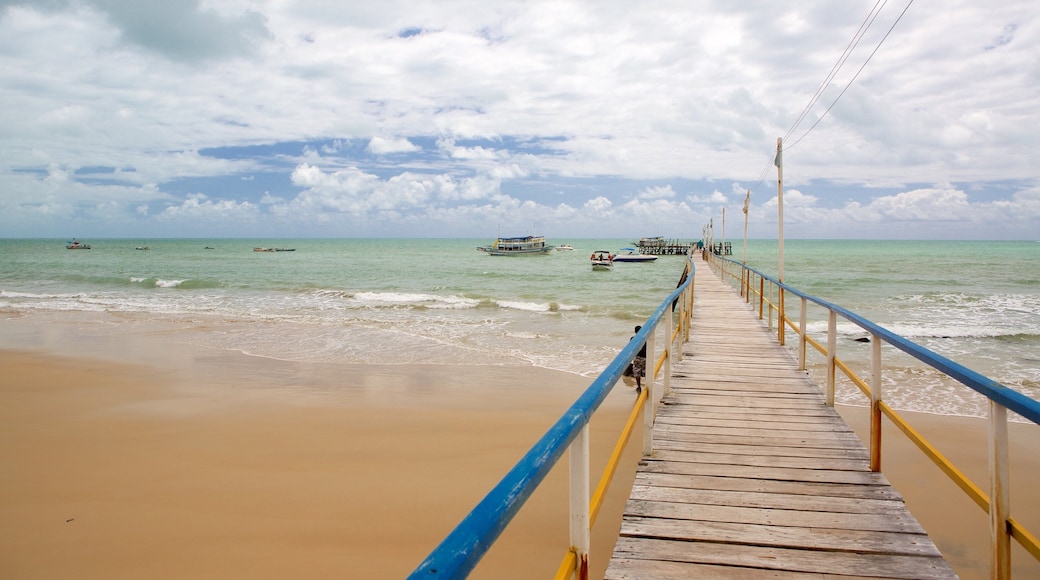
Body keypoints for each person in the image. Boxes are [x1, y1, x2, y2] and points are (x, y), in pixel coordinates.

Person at [623, 325, 647, 392]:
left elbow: (631, 348)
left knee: (637, 372)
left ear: (635, 331)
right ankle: (648, 385)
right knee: (646, 372)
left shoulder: (632, 338)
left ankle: (639, 387)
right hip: (645, 357)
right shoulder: (646, 338)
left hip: (637, 357)